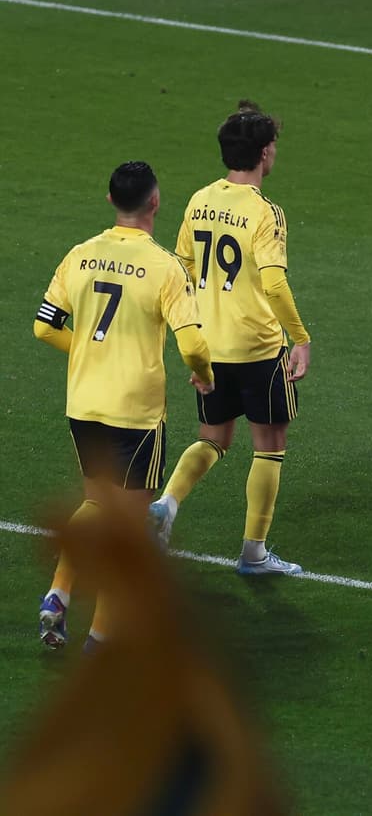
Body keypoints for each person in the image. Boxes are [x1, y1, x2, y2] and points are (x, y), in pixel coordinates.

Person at [34, 161, 214, 650]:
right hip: (134, 413)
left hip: (84, 403)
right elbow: (194, 344)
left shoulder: (80, 255)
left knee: (95, 501)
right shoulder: (165, 267)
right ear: (154, 203)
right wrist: (205, 373)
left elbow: (45, 325)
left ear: (110, 200)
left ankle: (58, 594)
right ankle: (100, 639)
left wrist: (91, 353)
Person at [149, 101, 311, 576]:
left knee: (214, 437)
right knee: (269, 445)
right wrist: (299, 337)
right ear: (264, 153)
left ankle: (167, 504)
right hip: (259, 347)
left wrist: (193, 344)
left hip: (211, 346)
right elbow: (275, 283)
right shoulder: (266, 212)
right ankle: (254, 553)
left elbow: (182, 271)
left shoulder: (200, 199)